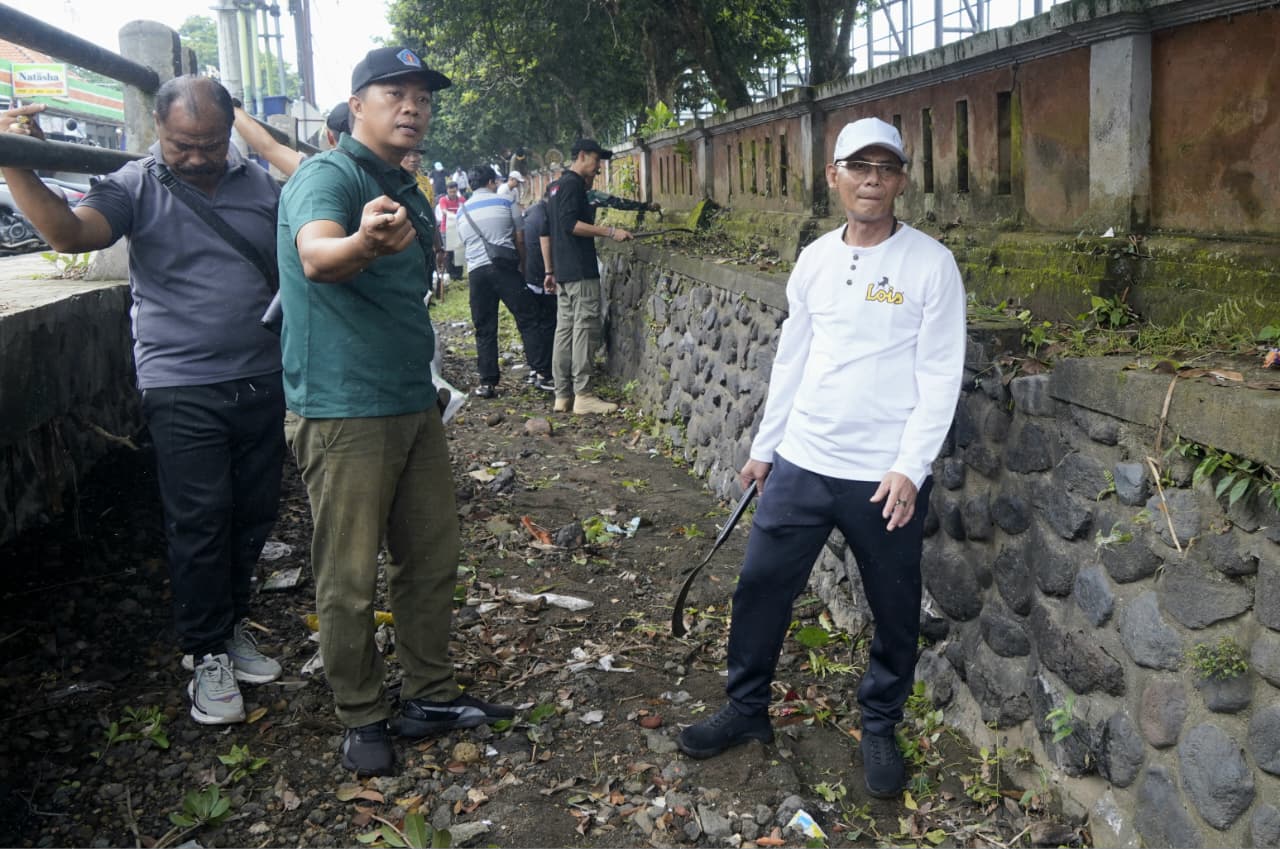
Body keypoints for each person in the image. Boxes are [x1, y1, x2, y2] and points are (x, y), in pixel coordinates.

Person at [674, 118, 967, 800]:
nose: (872, 179)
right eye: (858, 166)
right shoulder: (814, 259)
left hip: (883, 476)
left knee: (893, 608)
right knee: (760, 589)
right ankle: (747, 709)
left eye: (885, 168)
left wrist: (910, 466)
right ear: (833, 175)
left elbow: (941, 371)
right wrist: (764, 448)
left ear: (901, 179)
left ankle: (880, 722)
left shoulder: (930, 263)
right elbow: (793, 357)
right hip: (803, 460)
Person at [2, 79, 286, 726]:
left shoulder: (263, 188)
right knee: (202, 517)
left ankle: (232, 623)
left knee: (254, 510)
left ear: (230, 131)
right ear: (157, 129)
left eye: (209, 143)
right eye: (181, 144)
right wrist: (16, 158)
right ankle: (205, 651)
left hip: (262, 373)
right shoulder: (134, 184)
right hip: (180, 379)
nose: (195, 157)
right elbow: (71, 235)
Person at [277, 46, 513, 777]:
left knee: (431, 557)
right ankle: (361, 711)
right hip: (344, 407)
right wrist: (362, 242)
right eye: (394, 93)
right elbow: (318, 255)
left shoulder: (401, 183)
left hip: (411, 400)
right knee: (348, 574)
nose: (413, 106)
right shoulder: (330, 175)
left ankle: (429, 693)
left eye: (422, 96)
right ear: (357, 104)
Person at [545, 138, 632, 415]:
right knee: (583, 329)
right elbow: (571, 225)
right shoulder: (572, 185)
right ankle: (583, 394)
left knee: (565, 331)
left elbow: (548, 230)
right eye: (596, 161)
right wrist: (610, 231)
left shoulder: (555, 187)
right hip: (580, 270)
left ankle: (562, 395)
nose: (598, 168)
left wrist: (550, 270)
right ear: (582, 156)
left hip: (564, 270)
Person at [456, 165, 550, 396]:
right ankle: (541, 373)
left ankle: (487, 383)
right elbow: (520, 238)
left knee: (484, 327)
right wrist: (523, 266)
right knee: (528, 317)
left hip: (477, 273)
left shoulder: (462, 211)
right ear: (490, 182)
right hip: (504, 269)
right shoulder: (506, 203)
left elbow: (466, 243)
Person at [232, 100, 350, 176]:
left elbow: (268, 147)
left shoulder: (323, 171)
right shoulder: (365, 170)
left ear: (330, 137)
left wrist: (235, 110)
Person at [519, 188, 558, 391]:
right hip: (544, 279)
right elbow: (546, 242)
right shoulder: (547, 216)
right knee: (548, 325)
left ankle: (536, 368)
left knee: (536, 324)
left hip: (531, 277)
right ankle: (545, 373)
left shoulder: (532, 212)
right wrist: (549, 272)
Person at [435, 180, 466, 279]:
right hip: (446, 228)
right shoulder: (443, 200)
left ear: (457, 190)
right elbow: (444, 211)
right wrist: (454, 215)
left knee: (459, 251)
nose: (452, 194)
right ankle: (450, 273)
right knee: (449, 252)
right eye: (450, 192)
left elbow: (465, 211)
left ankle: (459, 274)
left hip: (459, 228)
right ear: (447, 190)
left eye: (454, 192)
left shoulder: (461, 199)